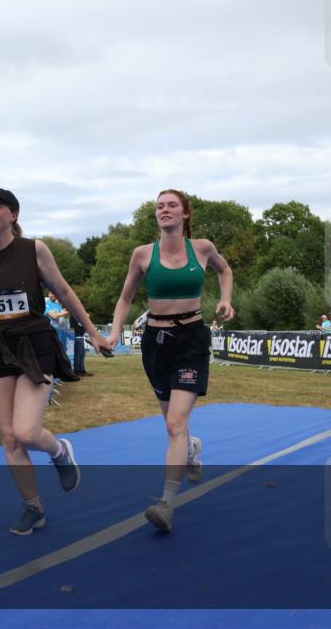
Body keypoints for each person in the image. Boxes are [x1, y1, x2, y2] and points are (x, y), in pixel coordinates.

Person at [0, 188, 112, 535]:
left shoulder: (34, 250)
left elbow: (66, 292)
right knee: (10, 438)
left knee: (26, 431)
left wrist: (93, 333)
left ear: (13, 215)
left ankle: (59, 452)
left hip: (33, 343)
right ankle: (33, 507)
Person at [107, 189, 234, 533]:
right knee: (173, 424)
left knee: (176, 423)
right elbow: (125, 297)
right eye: (159, 206)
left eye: (171, 205)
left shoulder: (203, 248)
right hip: (156, 342)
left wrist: (226, 300)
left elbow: (225, 270)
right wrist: (116, 331)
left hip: (191, 338)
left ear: (185, 214)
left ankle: (166, 503)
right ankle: (191, 449)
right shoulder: (143, 254)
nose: (164, 210)